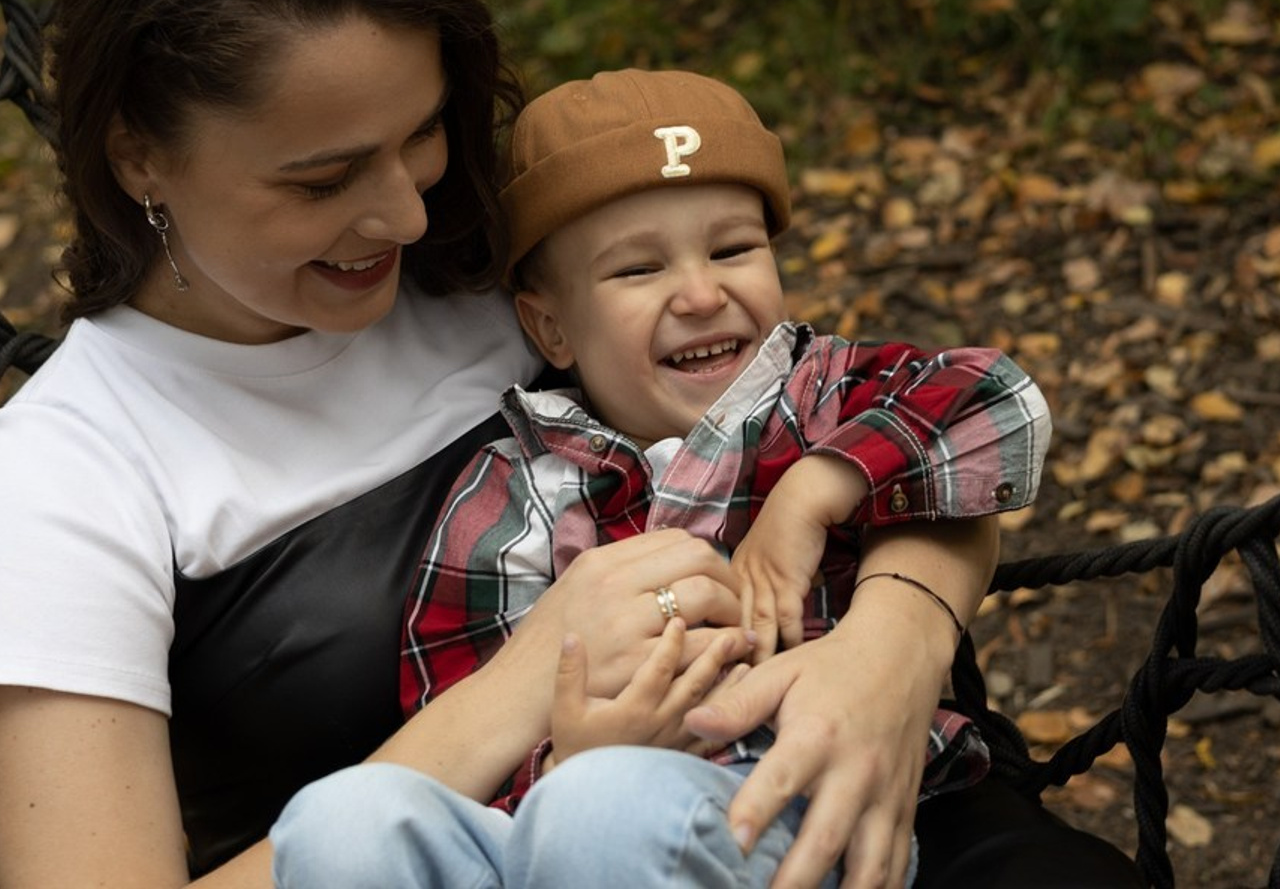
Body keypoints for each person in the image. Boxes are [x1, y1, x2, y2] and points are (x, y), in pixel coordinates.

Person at [0, 0, 1142, 889]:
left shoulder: (516, 266)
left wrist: (891, 648)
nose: (405, 212)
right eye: (321, 178)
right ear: (140, 154)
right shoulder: (68, 475)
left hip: (856, 794)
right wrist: (529, 685)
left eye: (422, 134)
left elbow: (870, 422)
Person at [269, 68, 1049, 889]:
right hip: (560, 822)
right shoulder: (514, 493)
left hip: (795, 801)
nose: (703, 293)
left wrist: (817, 486)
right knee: (338, 821)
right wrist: (568, 754)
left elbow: (994, 403)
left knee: (605, 808)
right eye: (639, 270)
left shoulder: (824, 396)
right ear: (551, 328)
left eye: (733, 249)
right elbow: (455, 695)